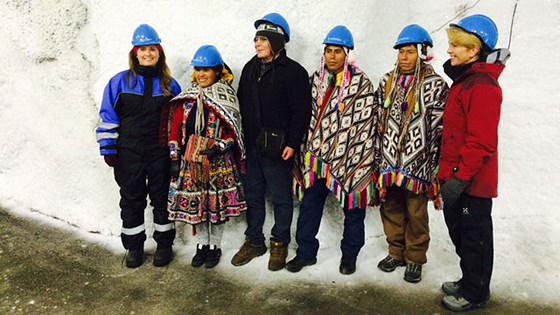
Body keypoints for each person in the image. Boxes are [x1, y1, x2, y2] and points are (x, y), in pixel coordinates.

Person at [286, 25, 377, 275]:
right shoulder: (315, 80)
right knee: (309, 205)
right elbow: (307, 116)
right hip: (317, 159)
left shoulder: (361, 84)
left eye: (338, 51)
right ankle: (305, 253)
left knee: (353, 208)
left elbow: (365, 124)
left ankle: (350, 255)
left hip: (350, 157)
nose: (332, 56)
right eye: (328, 51)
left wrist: (356, 156)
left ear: (347, 54)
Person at [438, 14, 510, 312]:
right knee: (461, 232)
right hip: (458, 176)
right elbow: (455, 135)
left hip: (472, 183)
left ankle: (476, 292)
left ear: (474, 49)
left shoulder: (482, 86)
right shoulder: (466, 81)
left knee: (474, 236)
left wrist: (459, 178)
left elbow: (480, 142)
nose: (450, 50)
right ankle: (470, 279)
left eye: (456, 45)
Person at [95, 24, 181, 268]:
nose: (147, 54)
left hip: (159, 153)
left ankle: (164, 244)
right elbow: (108, 116)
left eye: (152, 49)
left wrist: (176, 155)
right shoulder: (120, 82)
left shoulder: (170, 85)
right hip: (129, 153)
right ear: (135, 52)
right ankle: (134, 247)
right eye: (143, 49)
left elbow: (178, 123)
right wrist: (109, 149)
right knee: (132, 199)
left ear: (159, 52)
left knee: (163, 198)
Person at [231, 12, 312, 271]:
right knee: (253, 194)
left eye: (263, 39)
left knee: (280, 197)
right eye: (256, 39)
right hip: (253, 146)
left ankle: (279, 243)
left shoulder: (295, 73)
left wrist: (292, 143)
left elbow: (301, 112)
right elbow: (242, 102)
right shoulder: (250, 67)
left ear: (277, 42)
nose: (257, 44)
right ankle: (255, 241)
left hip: (279, 148)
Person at [374, 24, 449, 283]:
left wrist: (435, 164)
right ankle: (395, 252)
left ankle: (415, 258)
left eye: (409, 52)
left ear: (422, 53)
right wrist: (378, 156)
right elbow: (378, 121)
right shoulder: (387, 82)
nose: (404, 57)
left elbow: (440, 129)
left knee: (416, 212)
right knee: (391, 208)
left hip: (419, 163)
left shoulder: (436, 85)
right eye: (401, 52)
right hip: (389, 161)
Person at [165, 45, 246, 269]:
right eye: (198, 69)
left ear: (217, 71)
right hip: (191, 163)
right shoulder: (187, 100)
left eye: (207, 70)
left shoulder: (226, 97)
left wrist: (219, 147)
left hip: (218, 163)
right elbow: (175, 131)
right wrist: (174, 158)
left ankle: (215, 246)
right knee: (197, 206)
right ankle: (201, 245)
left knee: (215, 208)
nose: (201, 74)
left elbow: (235, 132)